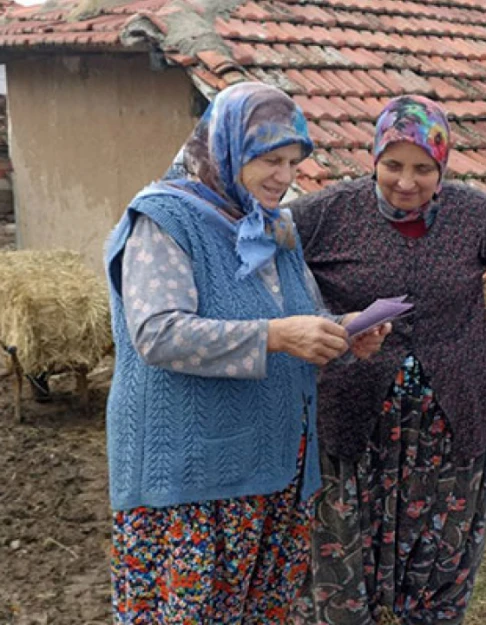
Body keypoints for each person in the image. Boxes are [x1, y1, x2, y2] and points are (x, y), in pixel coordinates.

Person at [103, 82, 387, 623]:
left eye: (293, 162)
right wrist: (277, 336)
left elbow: (300, 318)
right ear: (228, 149)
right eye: (269, 159)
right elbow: (158, 333)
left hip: (276, 470)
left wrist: (343, 334)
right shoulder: (165, 220)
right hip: (193, 482)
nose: (284, 177)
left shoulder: (275, 228)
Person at [287, 95, 486, 624]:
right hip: (355, 414)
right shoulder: (328, 212)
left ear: (441, 167)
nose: (406, 182)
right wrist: (313, 320)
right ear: (374, 160)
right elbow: (271, 253)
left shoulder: (473, 215)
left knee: (437, 558)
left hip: (448, 425)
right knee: (342, 548)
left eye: (423, 168)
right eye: (393, 165)